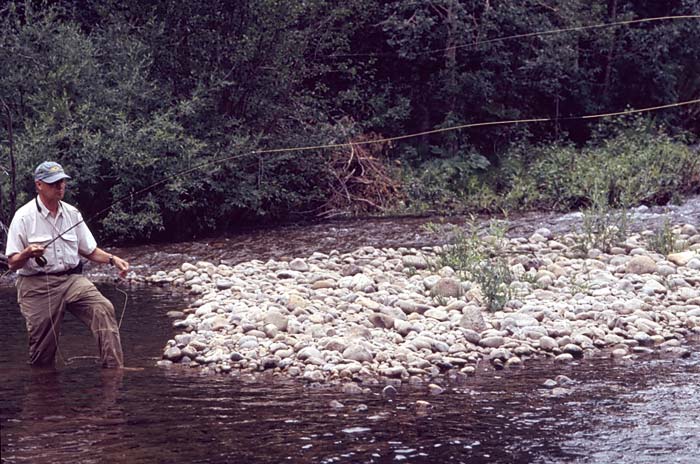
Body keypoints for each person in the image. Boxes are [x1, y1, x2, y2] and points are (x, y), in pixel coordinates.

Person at [5, 161, 130, 368]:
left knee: (103, 308)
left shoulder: (72, 213)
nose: (60, 186)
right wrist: (27, 253)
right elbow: (12, 264)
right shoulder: (23, 217)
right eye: (54, 183)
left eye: (62, 181)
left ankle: (114, 371)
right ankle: (43, 390)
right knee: (42, 352)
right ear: (39, 185)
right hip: (35, 286)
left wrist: (112, 259)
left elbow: (88, 250)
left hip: (72, 280)